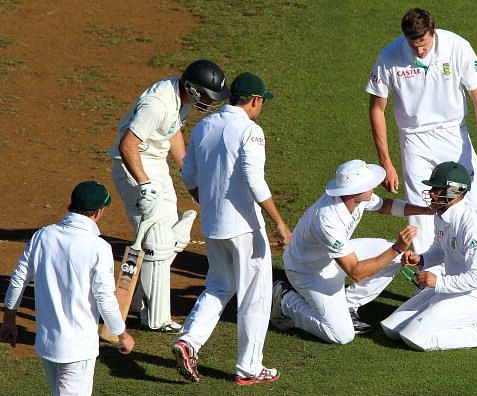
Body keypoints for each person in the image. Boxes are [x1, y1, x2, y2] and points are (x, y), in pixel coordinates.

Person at [172, 72, 291, 385]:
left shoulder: (203, 127)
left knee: (219, 286)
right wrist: (279, 221)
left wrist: (209, 205)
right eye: (261, 102)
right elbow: (254, 180)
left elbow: (188, 176)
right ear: (255, 100)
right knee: (256, 294)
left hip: (213, 226)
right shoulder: (250, 131)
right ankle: (249, 368)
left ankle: (189, 341)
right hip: (245, 229)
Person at [365, 8, 477, 253]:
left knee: (472, 201)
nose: (420, 51)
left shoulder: (457, 46)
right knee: (422, 207)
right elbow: (377, 108)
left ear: (433, 31)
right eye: (414, 46)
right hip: (414, 139)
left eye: (425, 45)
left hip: (453, 133)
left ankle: (466, 257)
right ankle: (425, 272)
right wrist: (386, 162)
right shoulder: (389, 57)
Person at [108, 59, 231, 332]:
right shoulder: (157, 104)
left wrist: (192, 179)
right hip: (132, 164)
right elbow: (127, 145)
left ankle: (138, 301)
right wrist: (143, 184)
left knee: (175, 234)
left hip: (156, 163)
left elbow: (172, 132)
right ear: (194, 89)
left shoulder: (181, 100)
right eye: (208, 97)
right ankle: (156, 318)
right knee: (158, 238)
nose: (210, 103)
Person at [270, 159, 434, 345]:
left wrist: (425, 210)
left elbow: (385, 206)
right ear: (355, 190)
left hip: (334, 256)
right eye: (369, 184)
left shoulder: (356, 198)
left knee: (395, 258)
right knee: (341, 335)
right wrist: (398, 247)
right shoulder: (328, 220)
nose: (375, 185)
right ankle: (284, 300)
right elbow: (355, 272)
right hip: (309, 272)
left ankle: (348, 304)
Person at [0, 181, 135, 395]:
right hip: (78, 348)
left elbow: (18, 279)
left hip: (46, 344)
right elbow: (105, 298)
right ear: (99, 212)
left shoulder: (43, 236)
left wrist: (9, 319)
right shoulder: (98, 247)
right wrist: (122, 334)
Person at [381, 162, 477, 351]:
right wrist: (421, 259)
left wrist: (438, 282)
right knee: (390, 329)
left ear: (457, 191)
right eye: (433, 188)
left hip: (476, 296)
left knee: (414, 338)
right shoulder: (441, 215)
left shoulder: (473, 229)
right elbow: (439, 250)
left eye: (438, 189)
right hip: (451, 288)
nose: (432, 193)